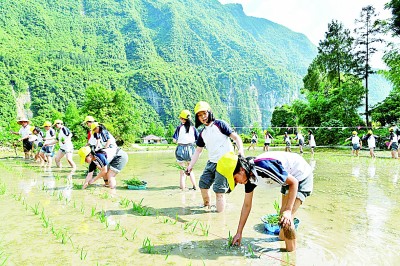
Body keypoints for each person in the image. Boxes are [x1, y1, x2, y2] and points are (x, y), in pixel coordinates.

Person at [216, 151, 313, 252]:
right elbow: (247, 205)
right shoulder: (248, 177)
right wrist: (239, 232)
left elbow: (294, 182)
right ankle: (285, 246)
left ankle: (291, 257)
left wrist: (288, 211)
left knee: (287, 219)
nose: (237, 183)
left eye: (235, 179)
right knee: (282, 220)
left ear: (241, 170)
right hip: (287, 179)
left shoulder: (263, 167)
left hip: (300, 176)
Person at [186, 101, 244, 212]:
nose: (202, 117)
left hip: (225, 162)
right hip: (212, 162)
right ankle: (206, 206)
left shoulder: (220, 124)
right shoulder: (202, 133)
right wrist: (190, 166)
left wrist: (241, 150)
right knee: (203, 184)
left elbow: (236, 138)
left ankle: (219, 219)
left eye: (204, 113)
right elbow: (198, 151)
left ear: (209, 112)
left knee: (219, 191)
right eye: (199, 115)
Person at [172, 110, 199, 190]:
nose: (180, 119)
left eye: (180, 118)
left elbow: (174, 140)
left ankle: (183, 189)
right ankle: (195, 186)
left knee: (182, 172)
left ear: (183, 119)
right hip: (191, 149)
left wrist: (179, 140)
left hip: (181, 149)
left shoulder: (179, 128)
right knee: (190, 169)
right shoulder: (193, 128)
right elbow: (198, 140)